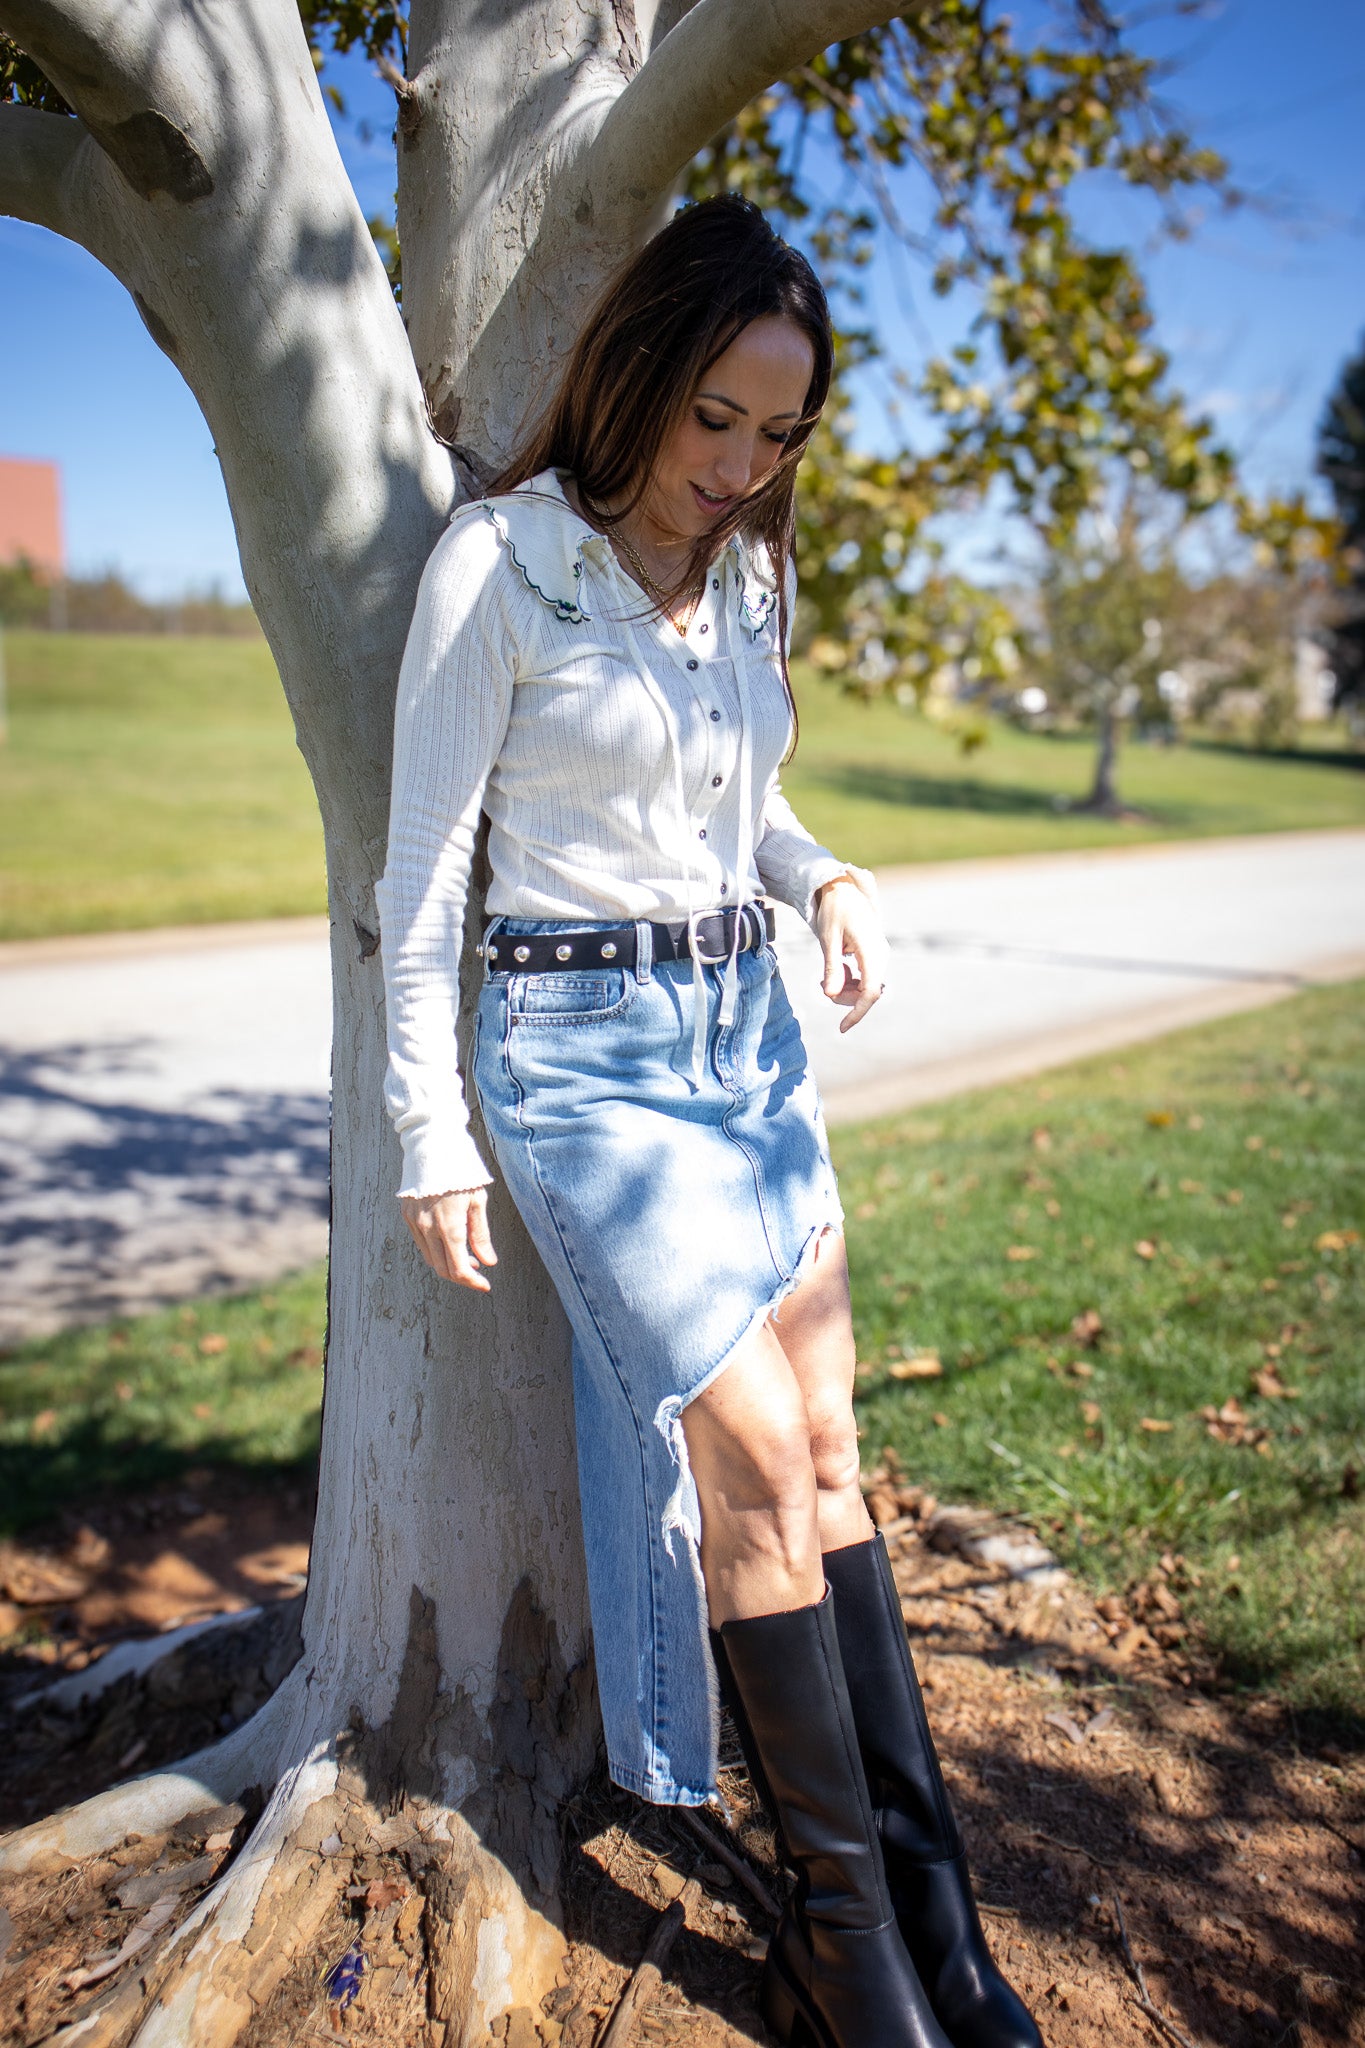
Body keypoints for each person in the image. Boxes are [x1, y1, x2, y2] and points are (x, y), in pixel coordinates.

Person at [377, 194, 1038, 2048]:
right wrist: (432, 1123)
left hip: (744, 1030)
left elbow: (738, 806)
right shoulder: (500, 566)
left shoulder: (746, 574)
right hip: (582, 1055)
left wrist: (825, 872)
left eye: (776, 433)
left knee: (828, 1449)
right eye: (713, 422)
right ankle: (844, 1952)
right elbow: (428, 876)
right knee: (750, 1452)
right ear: (642, 375)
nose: (739, 468)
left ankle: (929, 1915)